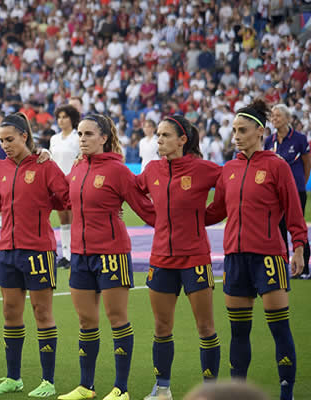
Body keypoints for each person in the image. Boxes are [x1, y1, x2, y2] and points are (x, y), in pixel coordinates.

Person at [206, 99, 306, 400]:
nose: (235, 135)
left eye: (242, 129)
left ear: (259, 131)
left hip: (269, 258)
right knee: (238, 332)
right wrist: (181, 211)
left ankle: (286, 393)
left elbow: (294, 212)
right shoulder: (229, 169)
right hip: (235, 259)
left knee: (279, 329)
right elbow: (215, 211)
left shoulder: (277, 166)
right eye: (234, 130)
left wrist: (299, 248)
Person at [58, 114, 155, 400]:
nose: (83, 139)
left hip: (112, 254)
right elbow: (60, 197)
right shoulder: (76, 168)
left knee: (117, 319)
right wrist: (43, 158)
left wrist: (175, 225)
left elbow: (145, 208)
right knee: (86, 321)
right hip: (79, 255)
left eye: (89, 134)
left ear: (104, 137)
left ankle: (121, 389)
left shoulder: (118, 170)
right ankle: (86, 387)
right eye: (80, 134)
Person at [0, 112, 70, 397]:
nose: (5, 144)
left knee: (42, 313)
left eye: (10, 139)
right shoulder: (2, 168)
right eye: (1, 140)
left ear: (25, 137)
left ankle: (48, 381)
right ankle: (13, 378)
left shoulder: (46, 166)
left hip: (38, 250)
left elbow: (65, 197)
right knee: (10, 313)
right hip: (7, 251)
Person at [137, 115, 222, 400]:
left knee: (206, 327)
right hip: (160, 259)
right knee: (161, 327)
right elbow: (130, 190)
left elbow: (231, 185)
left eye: (164, 135)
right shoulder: (150, 170)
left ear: (182, 139)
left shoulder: (204, 169)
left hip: (195, 258)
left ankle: (210, 391)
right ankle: (162, 389)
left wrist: (204, 218)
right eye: (157, 135)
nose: (158, 140)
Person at [265, 104, 311, 278]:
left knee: (298, 227)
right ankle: (282, 267)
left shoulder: (299, 138)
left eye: (277, 116)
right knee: (279, 228)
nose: (274, 119)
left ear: (287, 118)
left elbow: (307, 163)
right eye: (273, 116)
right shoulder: (269, 141)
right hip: (275, 193)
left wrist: (300, 183)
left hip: (296, 190)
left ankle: (304, 268)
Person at [50, 105, 81, 269]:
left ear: (72, 118)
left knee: (75, 219)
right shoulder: (54, 139)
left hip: (74, 182)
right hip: (58, 184)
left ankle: (76, 254)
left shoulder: (77, 137)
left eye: (65, 117)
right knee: (63, 220)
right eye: (59, 117)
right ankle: (66, 255)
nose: (61, 120)